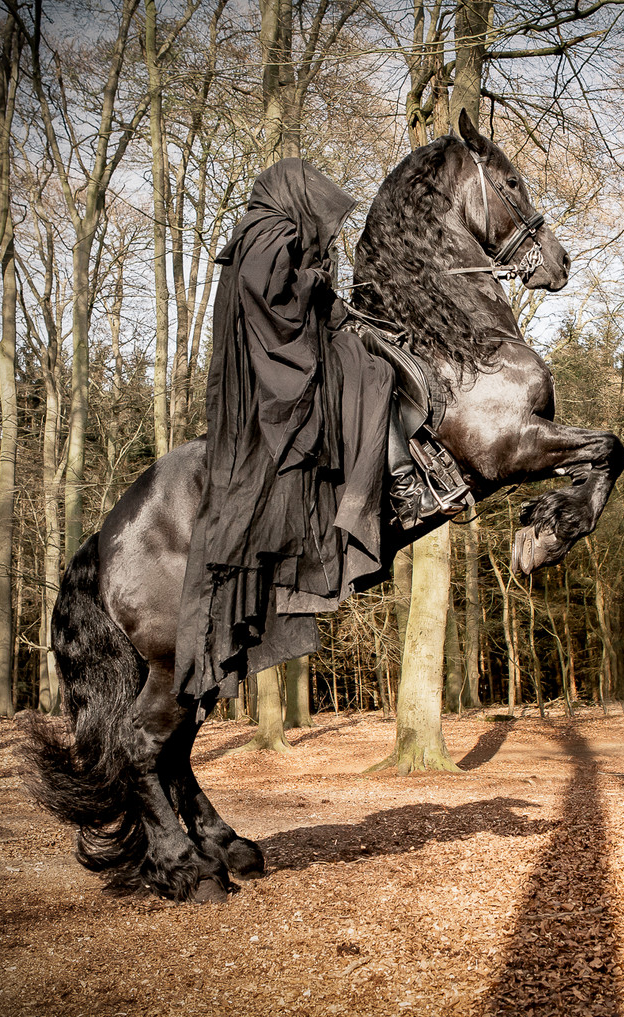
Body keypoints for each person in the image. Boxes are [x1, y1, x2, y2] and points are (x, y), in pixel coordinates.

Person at [175, 159, 395, 715]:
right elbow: (279, 305)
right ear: (292, 195)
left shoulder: (271, 232)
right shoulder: (266, 233)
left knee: (371, 356)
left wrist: (348, 314)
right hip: (278, 379)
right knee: (373, 374)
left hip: (293, 357)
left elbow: (316, 308)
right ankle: (359, 495)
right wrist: (315, 282)